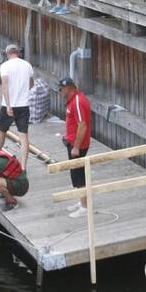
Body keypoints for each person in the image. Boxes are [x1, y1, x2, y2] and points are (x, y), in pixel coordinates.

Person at [58, 77, 92, 219]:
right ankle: (81, 201)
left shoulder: (77, 102)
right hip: (73, 142)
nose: (60, 91)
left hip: (77, 146)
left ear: (70, 88)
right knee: (76, 174)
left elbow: (82, 125)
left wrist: (76, 147)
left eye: (62, 88)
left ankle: (85, 207)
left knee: (79, 176)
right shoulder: (74, 100)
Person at [0, 44, 34, 172]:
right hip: (24, 105)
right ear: (18, 53)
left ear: (7, 54)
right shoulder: (27, 65)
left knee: (2, 131)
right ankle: (23, 166)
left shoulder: (5, 66)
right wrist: (25, 91)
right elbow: (31, 82)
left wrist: (8, 105)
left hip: (9, 105)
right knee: (23, 136)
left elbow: (5, 86)